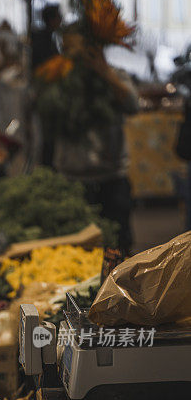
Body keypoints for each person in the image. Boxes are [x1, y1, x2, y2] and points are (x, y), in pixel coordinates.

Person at [53, 28, 139, 254]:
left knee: (118, 246)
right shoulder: (58, 80)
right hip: (73, 177)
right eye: (69, 49)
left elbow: (132, 105)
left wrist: (104, 72)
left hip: (112, 176)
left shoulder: (115, 76)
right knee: (77, 250)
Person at [31, 4, 62, 71]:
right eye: (58, 16)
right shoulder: (43, 40)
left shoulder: (48, 36)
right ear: (51, 20)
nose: (61, 19)